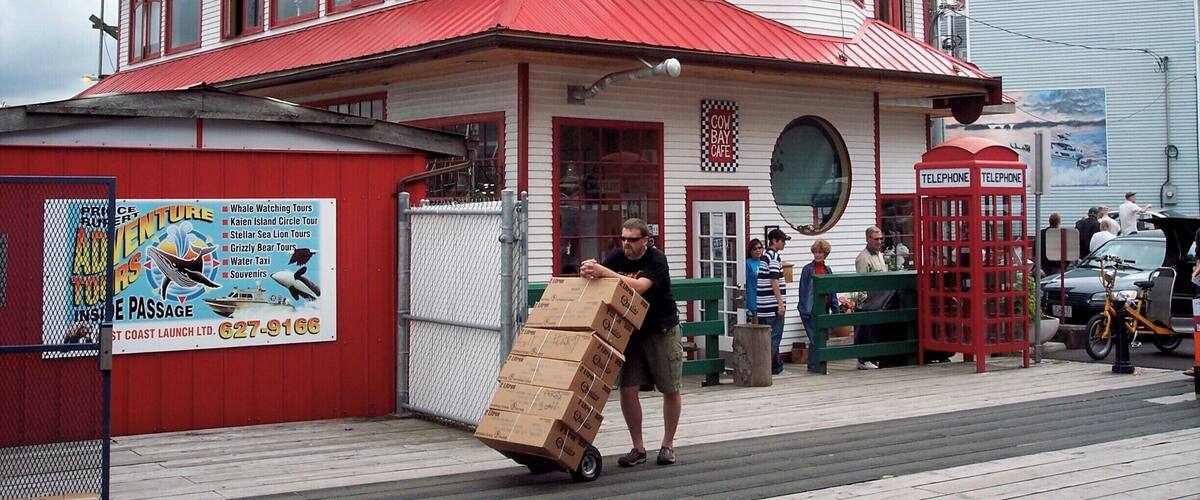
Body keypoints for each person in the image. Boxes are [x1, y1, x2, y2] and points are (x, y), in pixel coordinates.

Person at [580, 218, 681, 467]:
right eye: (623, 238)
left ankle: (667, 445)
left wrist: (605, 272)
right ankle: (638, 447)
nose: (626, 244)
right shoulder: (616, 258)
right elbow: (601, 280)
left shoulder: (656, 260)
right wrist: (590, 271)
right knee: (627, 388)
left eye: (633, 239)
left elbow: (639, 286)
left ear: (646, 240)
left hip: (661, 328)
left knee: (670, 387)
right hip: (631, 332)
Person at [798, 239, 839, 373]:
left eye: (820, 252)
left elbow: (832, 290)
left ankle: (813, 365)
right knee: (815, 338)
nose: (817, 255)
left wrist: (835, 309)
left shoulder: (828, 270)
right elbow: (803, 290)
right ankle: (817, 366)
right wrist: (804, 309)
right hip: (810, 307)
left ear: (825, 254)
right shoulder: (807, 269)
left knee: (821, 337)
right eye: (815, 252)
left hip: (824, 307)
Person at [756, 228, 790, 376]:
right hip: (772, 305)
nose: (784, 244)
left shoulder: (764, 257)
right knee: (774, 337)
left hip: (763, 304)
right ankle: (764, 368)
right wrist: (780, 304)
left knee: (766, 336)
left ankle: (776, 367)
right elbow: (774, 280)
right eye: (782, 241)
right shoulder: (774, 257)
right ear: (774, 241)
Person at [854, 226, 887, 370]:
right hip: (870, 302)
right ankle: (864, 360)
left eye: (881, 238)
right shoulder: (863, 258)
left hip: (882, 300)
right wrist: (864, 303)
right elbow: (861, 284)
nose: (879, 242)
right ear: (868, 239)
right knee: (867, 331)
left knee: (879, 332)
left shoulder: (880, 254)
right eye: (876, 239)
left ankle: (877, 358)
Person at [744, 239, 764, 322]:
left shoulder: (764, 262)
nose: (757, 250)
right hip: (753, 298)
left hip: (764, 299)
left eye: (759, 248)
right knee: (755, 326)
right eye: (755, 249)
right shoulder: (747, 263)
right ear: (750, 251)